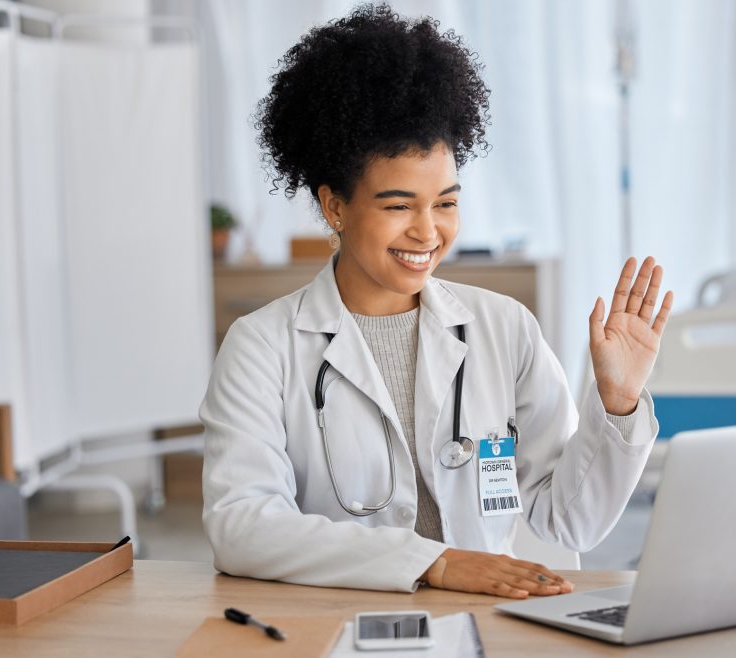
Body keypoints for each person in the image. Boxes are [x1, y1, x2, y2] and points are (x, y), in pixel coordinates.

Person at [200, 3, 673, 600]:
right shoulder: (262, 345)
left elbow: (565, 521)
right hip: (334, 621)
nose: (428, 233)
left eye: (446, 203)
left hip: (492, 621)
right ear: (335, 206)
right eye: (399, 206)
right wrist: (433, 562)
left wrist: (619, 402)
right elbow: (241, 527)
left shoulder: (504, 329)